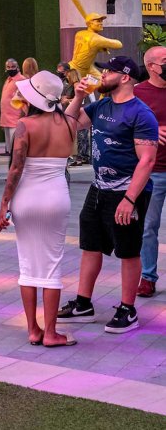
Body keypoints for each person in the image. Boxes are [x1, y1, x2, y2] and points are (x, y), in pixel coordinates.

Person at [59, 56, 158, 333]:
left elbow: (147, 161)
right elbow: (70, 125)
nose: (102, 75)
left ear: (125, 77)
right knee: (90, 245)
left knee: (128, 250)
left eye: (109, 72)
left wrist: (129, 199)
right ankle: (83, 303)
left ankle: (128, 309)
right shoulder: (101, 105)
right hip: (98, 188)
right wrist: (78, 96)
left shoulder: (141, 114)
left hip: (127, 192)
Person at [0, 71, 76, 347]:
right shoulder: (69, 124)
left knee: (27, 264)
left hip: (26, 198)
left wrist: (4, 203)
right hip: (56, 197)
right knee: (52, 265)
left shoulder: (25, 125)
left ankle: (33, 329)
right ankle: (52, 333)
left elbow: (16, 168)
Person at [135, 46, 166, 298]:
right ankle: (147, 276)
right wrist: (150, 131)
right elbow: (124, 127)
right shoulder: (137, 94)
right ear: (151, 66)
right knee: (149, 226)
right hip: (152, 171)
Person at [0, 58, 25, 157]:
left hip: (15, 116)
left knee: (16, 144)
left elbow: (23, 98)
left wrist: (21, 115)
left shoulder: (21, 79)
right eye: (8, 67)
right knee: (9, 144)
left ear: (17, 67)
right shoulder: (8, 79)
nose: (10, 69)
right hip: (6, 116)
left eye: (13, 67)